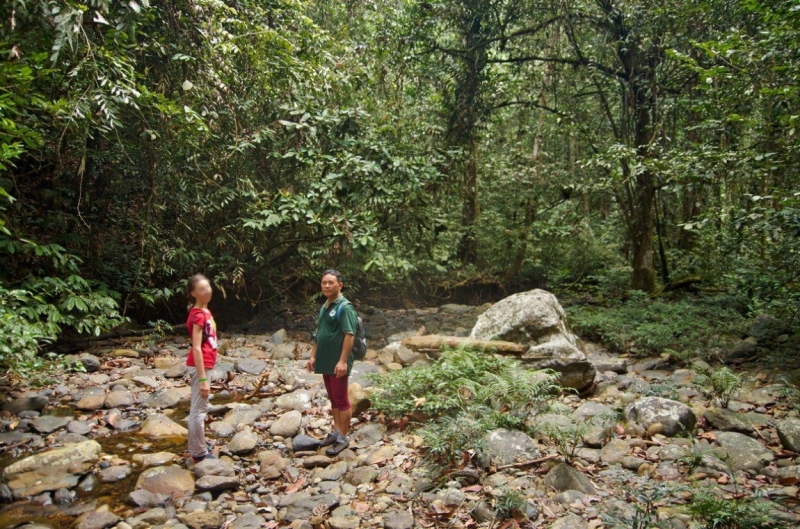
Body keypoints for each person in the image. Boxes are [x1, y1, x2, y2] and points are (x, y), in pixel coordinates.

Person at [306, 269, 357, 456]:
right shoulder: (325, 305)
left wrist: (343, 361)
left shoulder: (345, 307)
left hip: (338, 362)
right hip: (325, 361)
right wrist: (313, 356)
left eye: (331, 283)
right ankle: (336, 431)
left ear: (340, 285)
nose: (327, 286)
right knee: (333, 398)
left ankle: (343, 437)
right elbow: (320, 334)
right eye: (324, 283)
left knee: (342, 399)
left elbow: (349, 335)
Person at [186, 273, 218, 463]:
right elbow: (196, 347)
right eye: (202, 289)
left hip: (206, 364)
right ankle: (198, 452)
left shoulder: (204, 311)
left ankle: (198, 445)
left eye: (208, 287)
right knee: (198, 410)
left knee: (199, 409)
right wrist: (203, 378)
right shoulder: (198, 315)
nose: (207, 291)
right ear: (194, 293)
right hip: (201, 365)